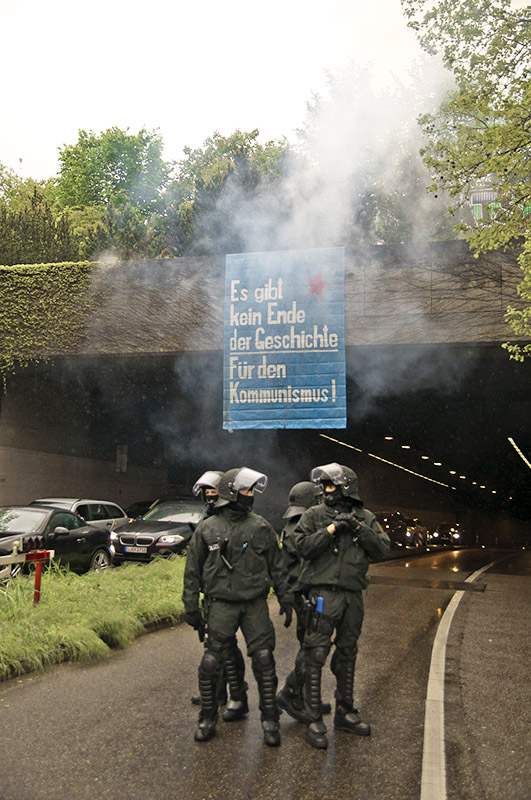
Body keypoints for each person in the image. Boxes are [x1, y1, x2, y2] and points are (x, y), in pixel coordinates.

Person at [277, 462, 390, 750]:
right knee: (315, 654)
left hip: (353, 595)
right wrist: (330, 529)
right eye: (323, 485)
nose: (325, 491)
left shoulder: (366, 517)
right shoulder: (314, 515)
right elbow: (302, 547)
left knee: (348, 653)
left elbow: (381, 549)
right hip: (323, 594)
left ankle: (345, 712)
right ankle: (313, 718)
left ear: (346, 487)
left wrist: (357, 527)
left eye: (331, 485)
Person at [183, 467, 294, 746]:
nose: (250, 495)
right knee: (211, 663)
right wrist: (191, 607)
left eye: (252, 490)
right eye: (246, 490)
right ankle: (208, 718)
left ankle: (270, 719)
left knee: (264, 661)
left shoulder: (260, 526)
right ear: (231, 492)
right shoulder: (208, 528)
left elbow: (277, 566)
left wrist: (286, 597)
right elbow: (192, 570)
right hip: (221, 604)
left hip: (254, 604)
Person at [189, 470, 247, 713]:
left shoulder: (239, 519)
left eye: (214, 492)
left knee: (226, 646)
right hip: (210, 594)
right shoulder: (206, 522)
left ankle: (237, 694)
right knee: (214, 645)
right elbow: (194, 565)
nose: (210, 497)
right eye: (207, 493)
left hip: (232, 594)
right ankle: (218, 693)